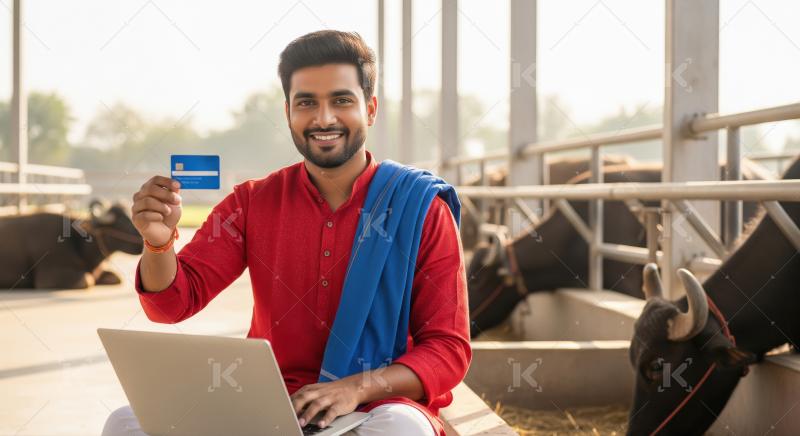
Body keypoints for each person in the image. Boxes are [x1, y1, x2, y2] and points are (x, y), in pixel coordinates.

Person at [101, 30, 471, 436]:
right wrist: (158, 242)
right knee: (125, 423)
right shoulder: (252, 202)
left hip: (375, 406)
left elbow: (448, 349)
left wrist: (355, 388)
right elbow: (171, 305)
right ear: (288, 114)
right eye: (307, 103)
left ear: (370, 109)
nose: (324, 118)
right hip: (268, 402)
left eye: (341, 101)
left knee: (401, 430)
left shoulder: (421, 208)